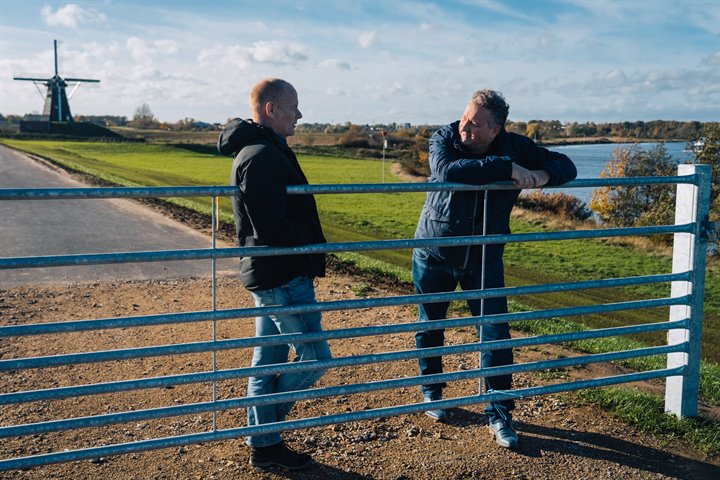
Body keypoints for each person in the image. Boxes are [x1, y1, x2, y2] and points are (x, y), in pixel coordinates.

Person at [413, 89, 577, 449]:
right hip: (434, 252)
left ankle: (499, 413)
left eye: (475, 124)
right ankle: (432, 392)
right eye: (464, 117)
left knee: (495, 336)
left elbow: (567, 164)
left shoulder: (517, 145)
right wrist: (505, 169)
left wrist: (542, 176)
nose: (464, 127)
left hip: (485, 259)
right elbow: (446, 171)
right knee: (431, 325)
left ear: (496, 130)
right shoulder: (445, 137)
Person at [217, 78, 331, 470]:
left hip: (278, 271)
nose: (299, 114)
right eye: (293, 107)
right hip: (281, 273)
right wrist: (313, 240)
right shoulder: (261, 156)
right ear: (271, 109)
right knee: (315, 357)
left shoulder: (267, 149)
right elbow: (270, 226)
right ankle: (263, 434)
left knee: (267, 361)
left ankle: (264, 443)